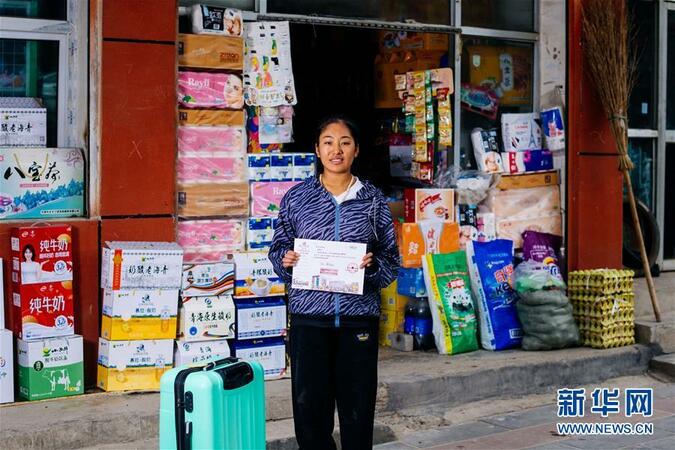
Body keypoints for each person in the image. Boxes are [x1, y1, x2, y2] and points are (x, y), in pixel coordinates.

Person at [269, 116, 400, 449]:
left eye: (344, 142)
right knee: (310, 413)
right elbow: (278, 248)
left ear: (355, 150)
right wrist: (286, 261)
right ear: (317, 149)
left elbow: (390, 259)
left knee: (357, 413)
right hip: (309, 321)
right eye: (328, 142)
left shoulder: (372, 200)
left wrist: (371, 269)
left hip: (358, 320)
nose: (336, 150)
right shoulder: (297, 199)